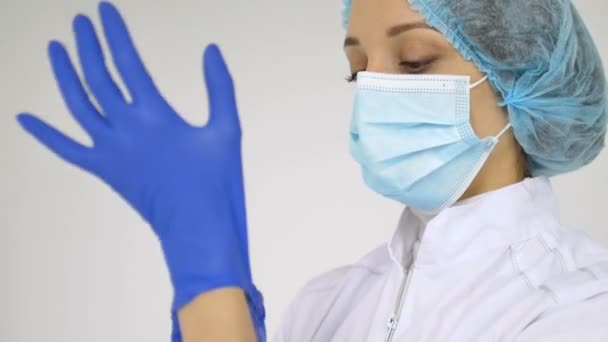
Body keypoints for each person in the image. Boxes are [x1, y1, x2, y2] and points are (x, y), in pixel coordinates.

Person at [16, 0, 608, 341]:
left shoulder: (577, 308)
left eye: (415, 61)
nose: (374, 92)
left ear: (522, 83)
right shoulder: (326, 305)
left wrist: (211, 285)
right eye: (358, 70)